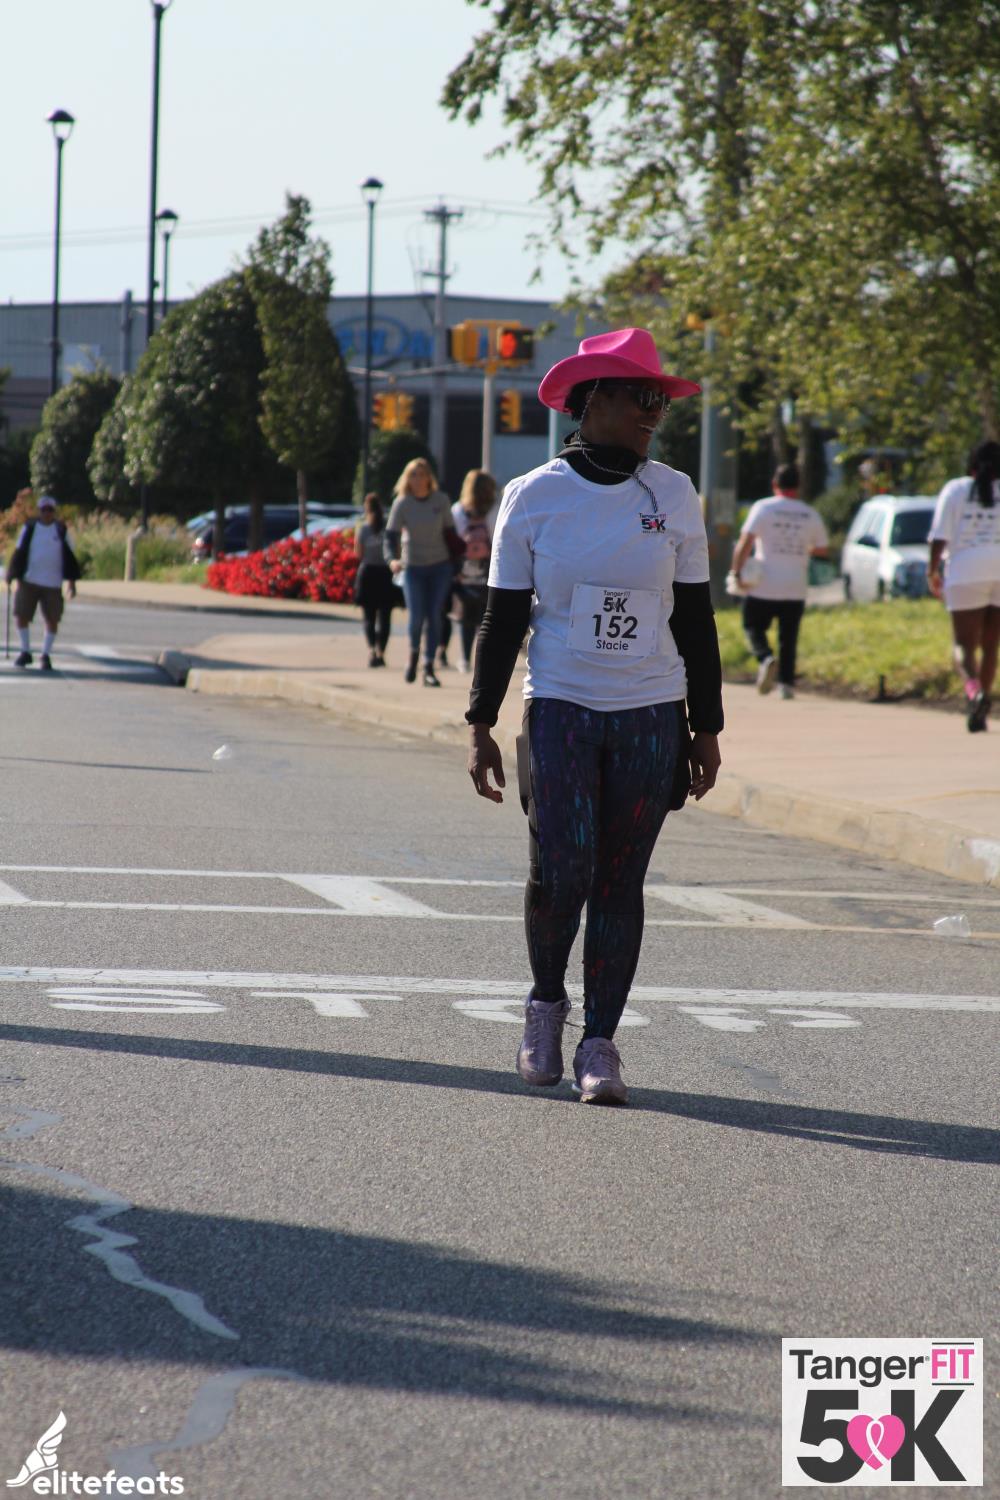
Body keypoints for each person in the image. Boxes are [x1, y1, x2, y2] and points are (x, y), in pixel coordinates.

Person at [466, 327, 722, 1106]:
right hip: (562, 706)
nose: (655, 414)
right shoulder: (534, 495)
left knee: (619, 879)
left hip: (649, 712)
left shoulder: (674, 493)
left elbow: (696, 619)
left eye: (661, 402)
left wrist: (706, 727)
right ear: (594, 399)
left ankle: (600, 1044)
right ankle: (546, 1005)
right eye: (642, 397)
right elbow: (501, 619)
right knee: (561, 872)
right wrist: (479, 722)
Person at [730, 462, 829, 699]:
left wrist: (736, 572)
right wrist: (803, 549)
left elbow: (746, 542)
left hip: (764, 583)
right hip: (796, 584)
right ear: (798, 486)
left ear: (775, 484)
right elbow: (823, 549)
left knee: (752, 625)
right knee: (789, 636)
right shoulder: (809, 513)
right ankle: (786, 684)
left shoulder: (764, 508)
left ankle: (765, 657)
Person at [928, 439, 1000, 733]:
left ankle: (974, 692)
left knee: (963, 645)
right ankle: (981, 712)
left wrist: (932, 570)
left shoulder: (956, 490)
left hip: (965, 569)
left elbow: (939, 535)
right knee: (991, 646)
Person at [384, 458, 457, 687]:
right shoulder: (402, 503)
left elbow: (451, 532)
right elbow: (391, 536)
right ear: (407, 479)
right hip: (413, 566)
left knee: (434, 615)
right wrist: (392, 560)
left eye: (421, 474)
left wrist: (458, 562)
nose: (417, 479)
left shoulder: (441, 500)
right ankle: (414, 653)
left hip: (439, 565)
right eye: (413, 475)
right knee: (416, 616)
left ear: (429, 478)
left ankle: (428, 665)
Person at [5, 494, 81, 670]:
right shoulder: (30, 528)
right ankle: (25, 651)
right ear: (39, 511)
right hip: (29, 580)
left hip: (53, 583)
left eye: (50, 510)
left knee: (52, 618)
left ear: (54, 512)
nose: (47, 513)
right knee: (21, 615)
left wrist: (71, 582)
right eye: (44, 510)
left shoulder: (61, 530)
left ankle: (45, 654)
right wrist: (12, 574)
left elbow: (70, 557)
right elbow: (19, 551)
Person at [451, 469, 499, 672]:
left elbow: (454, 540)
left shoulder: (458, 510)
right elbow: (498, 539)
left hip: (465, 571)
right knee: (486, 619)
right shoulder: (495, 509)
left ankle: (464, 659)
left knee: (466, 619)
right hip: (489, 571)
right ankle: (483, 660)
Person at [353, 492, 398, 667]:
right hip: (386, 573)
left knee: (369, 616)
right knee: (385, 616)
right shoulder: (388, 528)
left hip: (368, 573)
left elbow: (358, 553)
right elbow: (397, 551)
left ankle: (372, 649)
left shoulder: (364, 528)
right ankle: (381, 651)